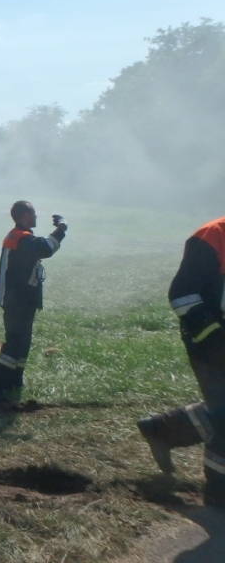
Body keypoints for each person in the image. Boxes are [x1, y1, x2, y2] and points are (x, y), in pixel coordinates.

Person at [137, 217, 225, 506]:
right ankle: (218, 492)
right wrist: (214, 338)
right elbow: (182, 294)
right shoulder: (212, 236)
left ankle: (161, 430)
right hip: (210, 341)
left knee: (221, 407)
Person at [0, 201, 67, 406]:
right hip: (17, 301)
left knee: (22, 342)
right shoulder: (22, 239)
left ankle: (14, 380)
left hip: (18, 300)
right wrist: (62, 228)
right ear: (26, 216)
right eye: (34, 213)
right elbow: (47, 248)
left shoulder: (17, 236)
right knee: (15, 344)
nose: (36, 217)